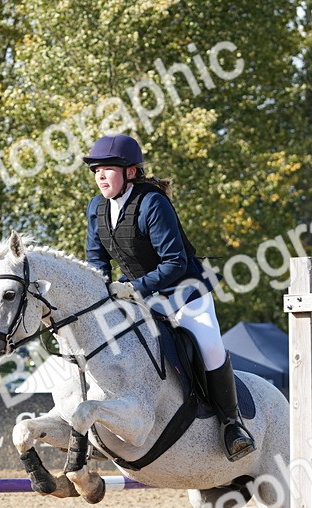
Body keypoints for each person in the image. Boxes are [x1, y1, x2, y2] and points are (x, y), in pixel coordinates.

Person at [83, 133, 255, 461]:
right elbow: (96, 260)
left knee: (209, 346)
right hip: (136, 294)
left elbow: (174, 262)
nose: (100, 177)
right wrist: (100, 293)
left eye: (107, 170)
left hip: (184, 290)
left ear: (130, 172)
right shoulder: (97, 208)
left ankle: (232, 425)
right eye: (96, 171)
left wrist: (135, 288)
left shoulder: (152, 203)